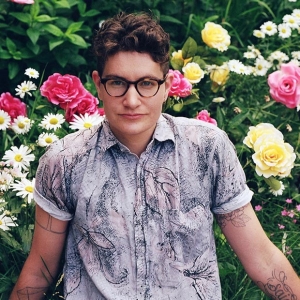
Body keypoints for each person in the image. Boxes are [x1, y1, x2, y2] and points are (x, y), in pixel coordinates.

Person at [10, 12, 300, 300]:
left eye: (147, 83)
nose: (132, 100)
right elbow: (41, 270)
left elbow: (261, 258)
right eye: (117, 83)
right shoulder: (64, 161)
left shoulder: (208, 148)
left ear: (167, 86)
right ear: (99, 85)